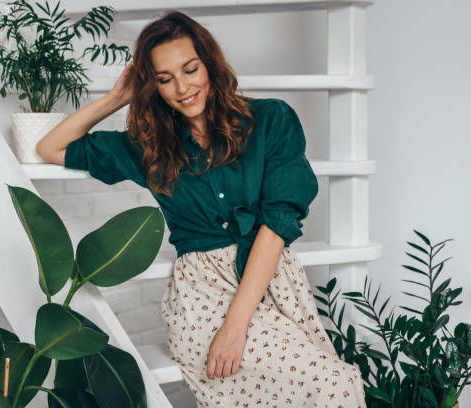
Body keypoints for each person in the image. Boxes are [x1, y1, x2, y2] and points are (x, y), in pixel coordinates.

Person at [36, 10, 367, 408]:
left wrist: (237, 324)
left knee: (328, 388)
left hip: (270, 278)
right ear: (152, 86)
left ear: (209, 65)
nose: (181, 87)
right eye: (164, 79)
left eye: (190, 69)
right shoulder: (149, 146)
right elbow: (50, 147)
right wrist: (115, 98)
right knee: (335, 388)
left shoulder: (271, 120)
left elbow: (277, 223)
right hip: (202, 298)